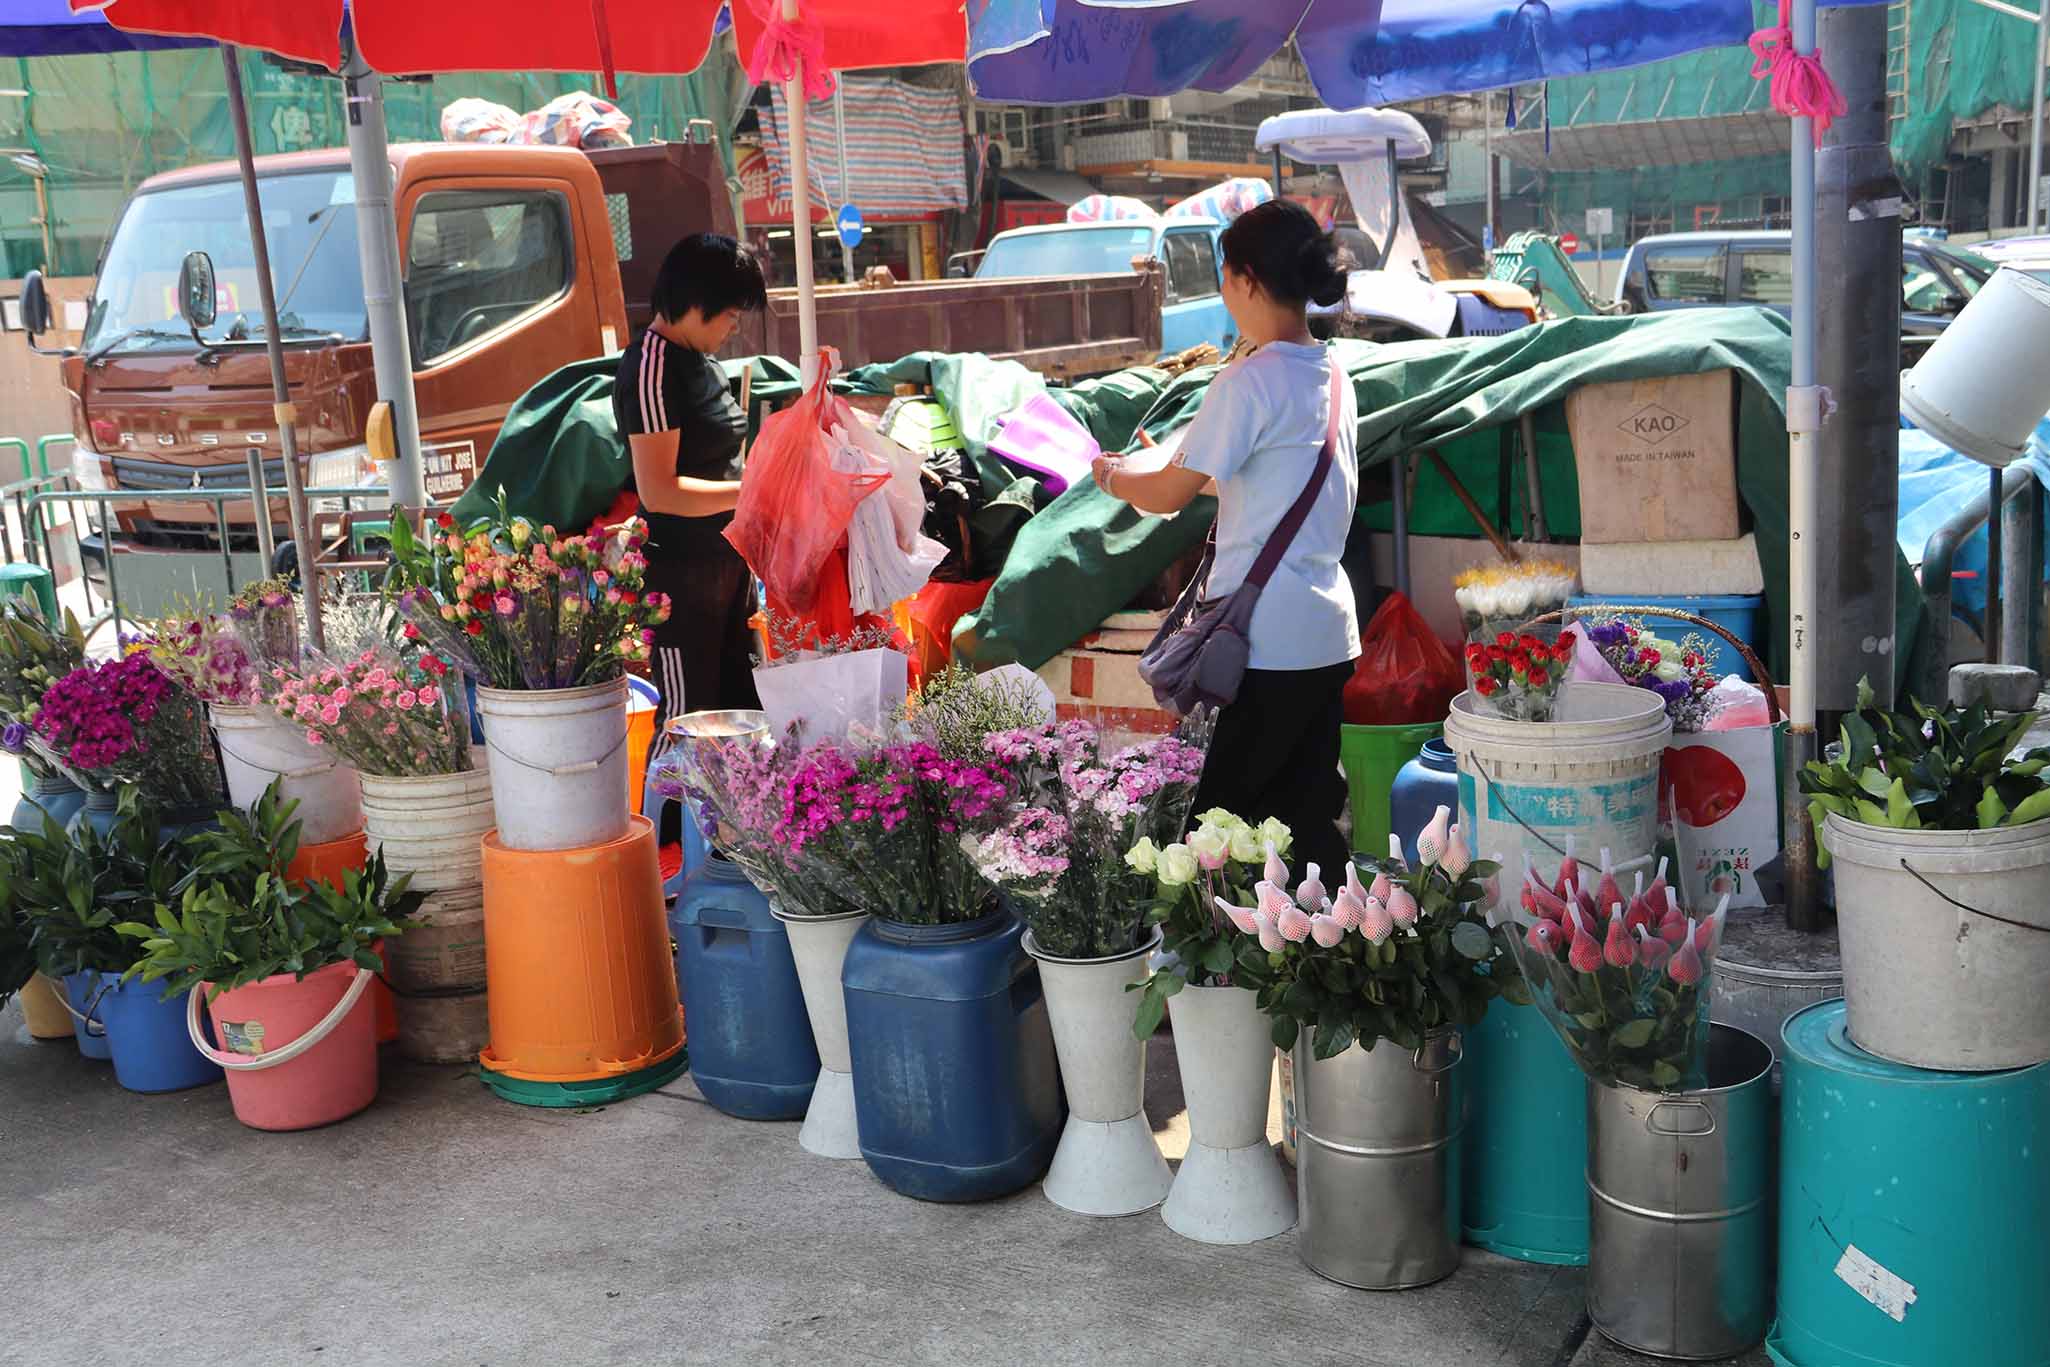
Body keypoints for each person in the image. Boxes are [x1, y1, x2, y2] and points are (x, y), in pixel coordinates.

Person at [1092, 201, 1359, 874]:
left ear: (1243, 279)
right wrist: (1168, 467)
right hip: (1327, 635)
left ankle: (1228, 974)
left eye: (1222, 276)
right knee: (1306, 823)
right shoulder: (1332, 373)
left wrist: (1116, 479)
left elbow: (1167, 495)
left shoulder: (1248, 379)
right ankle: (1325, 959)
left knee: (1221, 829)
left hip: (1263, 645)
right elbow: (1263, 481)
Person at [612, 233, 769, 728]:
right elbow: (660, 490)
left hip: (729, 570)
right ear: (698, 303)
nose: (733, 327)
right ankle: (669, 811)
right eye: (730, 315)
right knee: (687, 721)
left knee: (744, 714)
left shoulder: (707, 364)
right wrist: (756, 491)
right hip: (678, 582)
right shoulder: (651, 365)